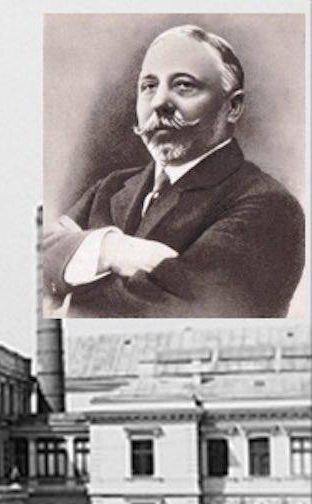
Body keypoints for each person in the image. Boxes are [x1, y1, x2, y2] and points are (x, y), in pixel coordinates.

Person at [41, 24, 305, 318]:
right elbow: (37, 259)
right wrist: (110, 250)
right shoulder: (111, 188)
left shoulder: (269, 206)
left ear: (233, 106)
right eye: (149, 86)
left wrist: (68, 281)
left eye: (184, 85)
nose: (159, 103)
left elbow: (183, 314)